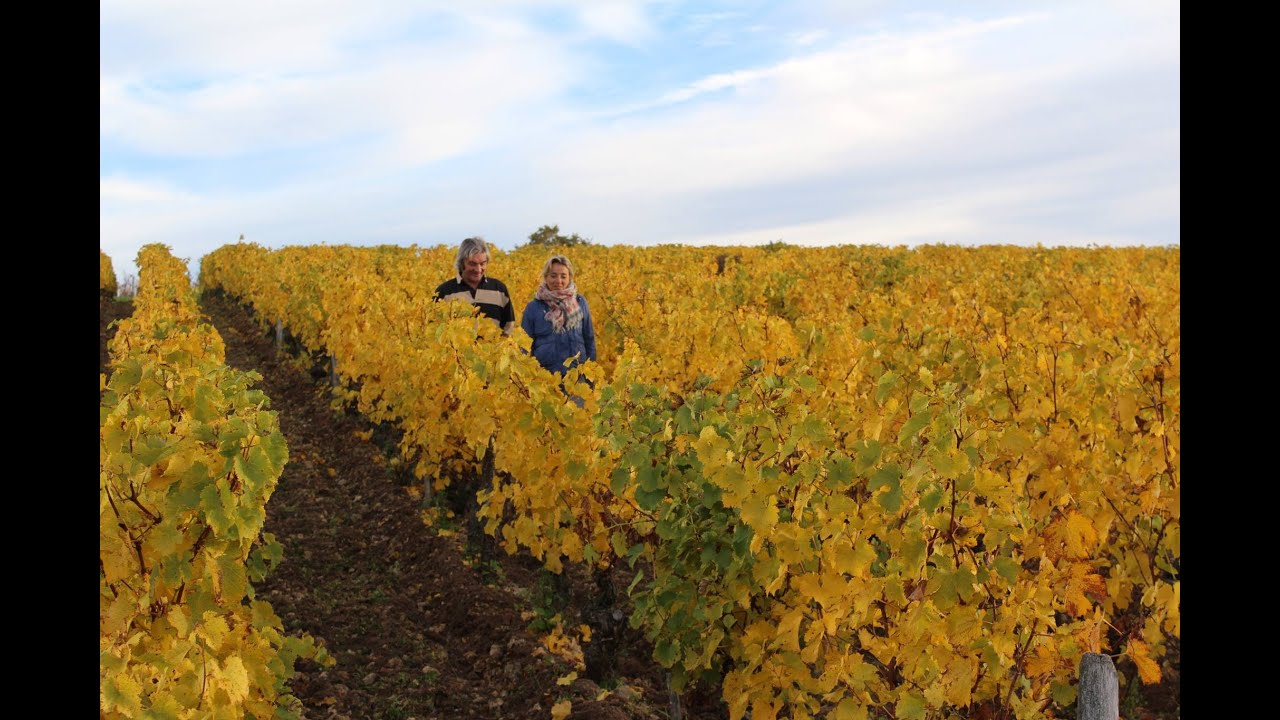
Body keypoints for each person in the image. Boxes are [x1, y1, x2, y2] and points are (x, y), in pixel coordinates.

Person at [521, 255, 597, 396]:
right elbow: (523, 346)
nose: (558, 281)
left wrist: (591, 376)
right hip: (545, 380)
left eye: (563, 276)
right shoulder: (534, 307)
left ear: (570, 277)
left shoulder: (580, 303)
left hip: (577, 380)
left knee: (578, 417)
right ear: (546, 277)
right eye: (553, 276)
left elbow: (589, 339)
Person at [434, 237, 516, 335]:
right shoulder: (444, 292)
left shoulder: (499, 289)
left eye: (482, 264)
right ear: (461, 263)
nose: (478, 269)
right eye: (472, 264)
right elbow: (435, 330)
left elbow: (508, 327)